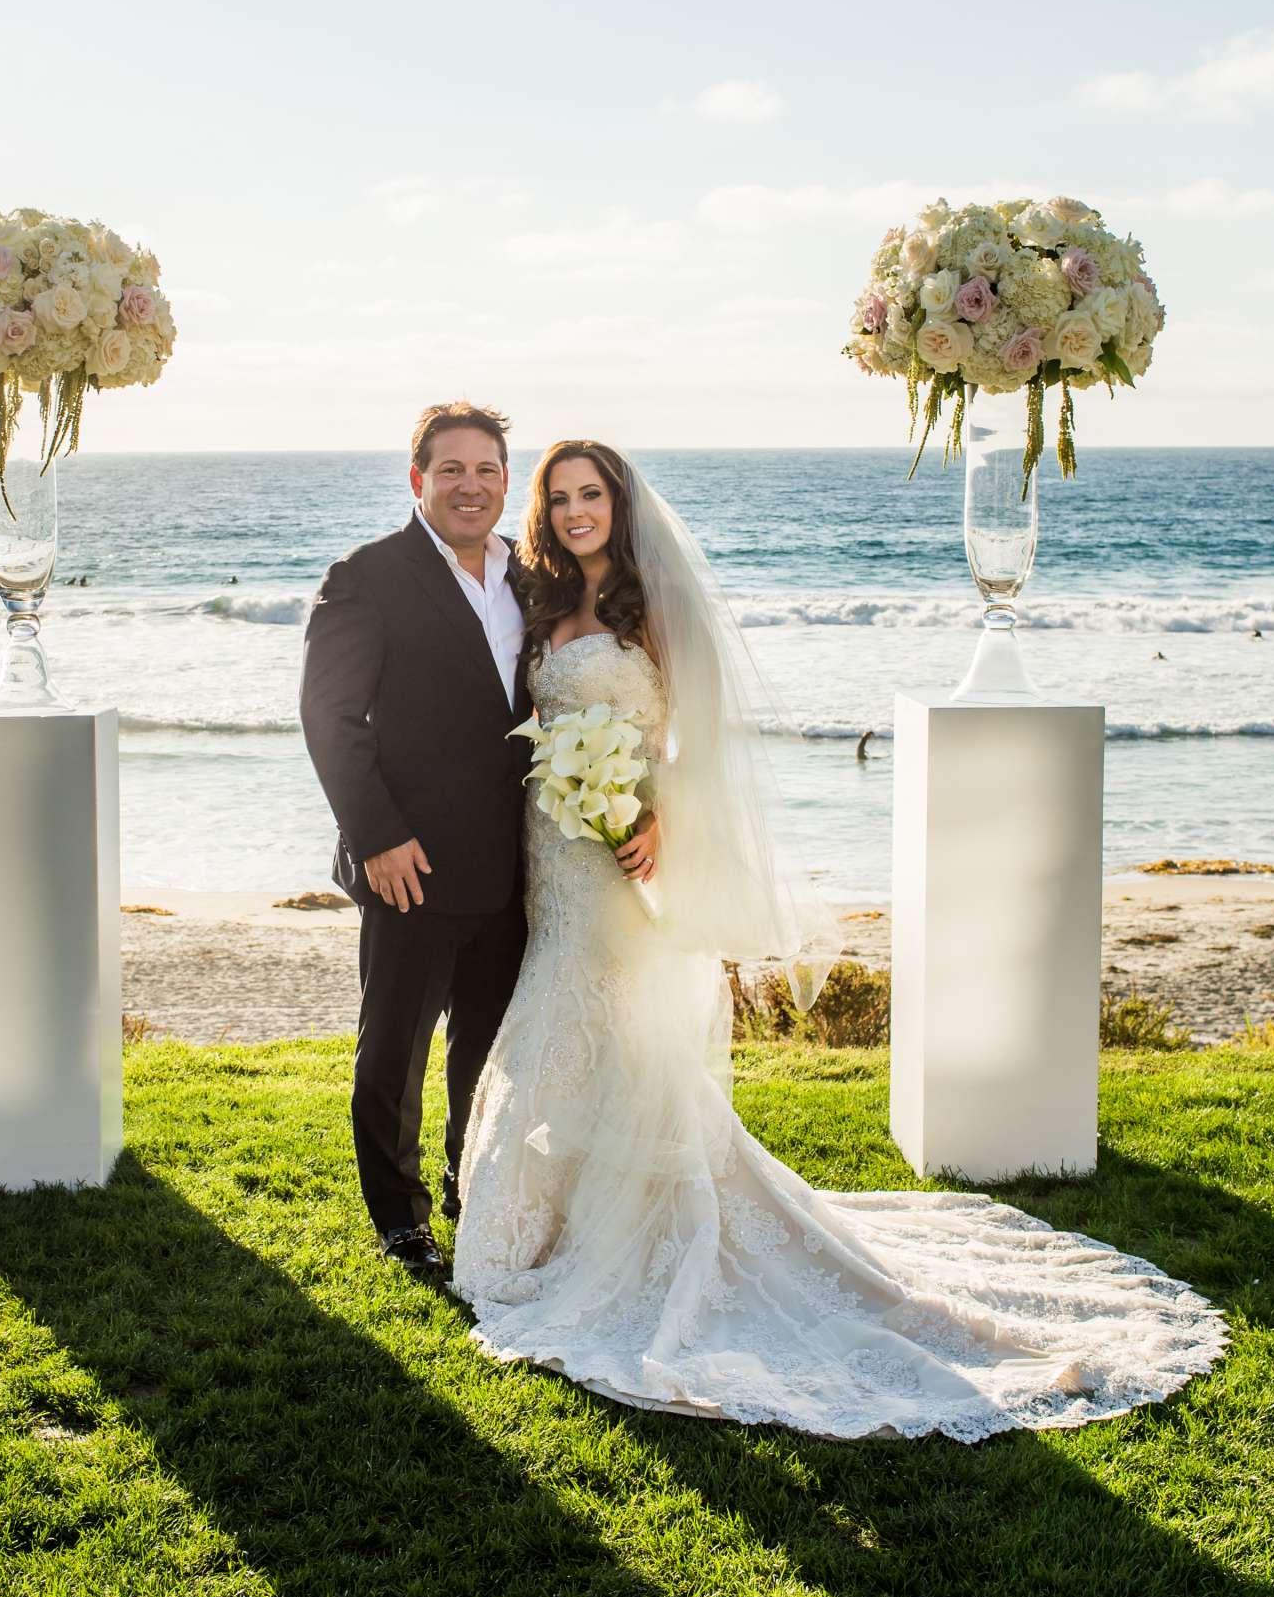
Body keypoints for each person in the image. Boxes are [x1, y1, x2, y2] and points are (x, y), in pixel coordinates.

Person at [451, 441, 1227, 1441]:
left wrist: (663, 821)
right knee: (570, 1024)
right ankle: (547, 1226)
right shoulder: (543, 600)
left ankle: (613, 1232)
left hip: (617, 856)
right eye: (558, 498)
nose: (571, 511)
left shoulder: (651, 610)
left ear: (618, 502)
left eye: (588, 494)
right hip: (546, 853)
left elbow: (698, 739)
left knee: (607, 1025)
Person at [299, 403, 531, 1274]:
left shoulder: (526, 576)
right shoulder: (368, 575)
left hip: (513, 864)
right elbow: (330, 716)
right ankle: (401, 1220)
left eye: (486, 470)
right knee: (394, 1051)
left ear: (507, 480)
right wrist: (379, 838)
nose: (470, 486)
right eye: (451, 471)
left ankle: (470, 1186)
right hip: (413, 864)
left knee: (487, 1043)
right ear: (417, 480)